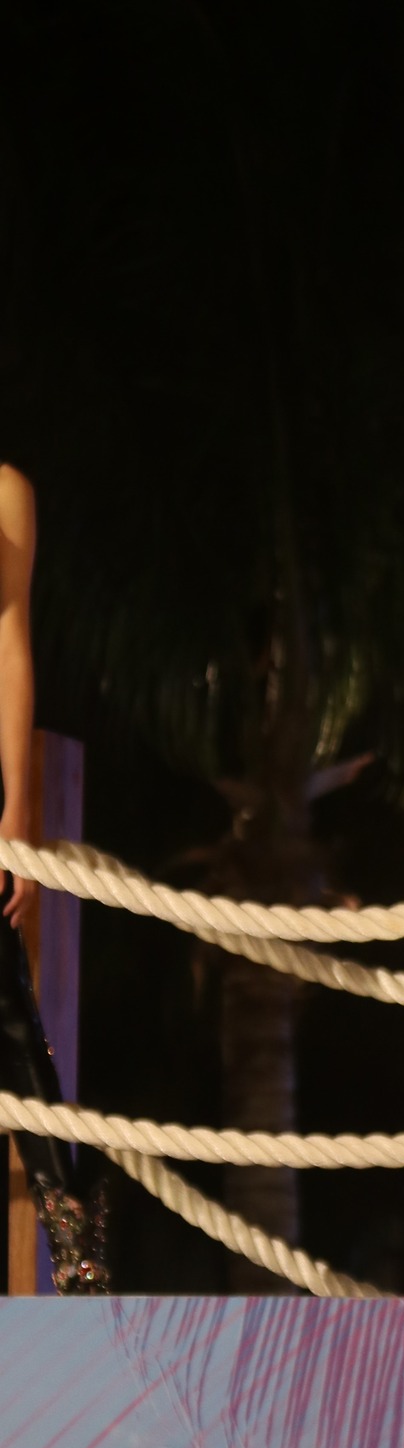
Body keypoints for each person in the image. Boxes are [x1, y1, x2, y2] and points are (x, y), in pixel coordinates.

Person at [0, 464, 108, 1291]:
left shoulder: (8, 493)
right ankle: (72, 1228)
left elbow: (11, 650)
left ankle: (70, 1232)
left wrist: (16, 813)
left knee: (5, 993)